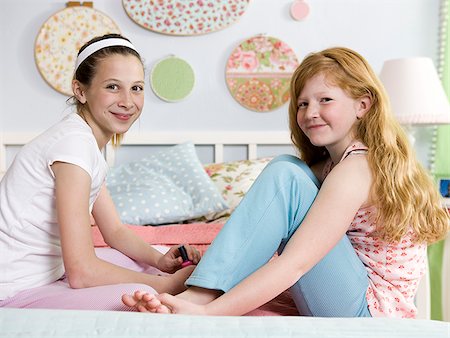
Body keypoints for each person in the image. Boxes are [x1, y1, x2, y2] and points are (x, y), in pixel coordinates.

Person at [122, 47, 450, 318]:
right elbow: (259, 231)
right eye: (303, 104)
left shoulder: (357, 167)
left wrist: (212, 313)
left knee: (285, 173)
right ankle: (200, 289)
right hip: (356, 299)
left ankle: (200, 297)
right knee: (288, 171)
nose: (310, 113)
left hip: (367, 314)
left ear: (362, 105)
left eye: (325, 100)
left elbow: (297, 263)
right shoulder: (329, 168)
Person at [0, 34, 200, 311]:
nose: (128, 101)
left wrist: (159, 261)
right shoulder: (73, 145)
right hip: (15, 289)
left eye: (137, 88)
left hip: (52, 272)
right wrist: (166, 285)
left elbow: (115, 231)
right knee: (143, 292)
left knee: (139, 262)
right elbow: (82, 272)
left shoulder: (85, 143)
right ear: (80, 91)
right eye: (113, 87)